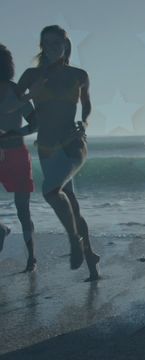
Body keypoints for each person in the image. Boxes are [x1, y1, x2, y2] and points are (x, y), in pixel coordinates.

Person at [17, 25, 100, 281]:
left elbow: (87, 106)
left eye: (57, 43)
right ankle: (92, 263)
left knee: (52, 191)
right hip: (46, 147)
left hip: (72, 143)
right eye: (47, 43)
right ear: (42, 47)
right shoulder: (31, 74)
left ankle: (74, 241)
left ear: (66, 44)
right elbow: (15, 99)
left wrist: (84, 124)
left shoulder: (79, 74)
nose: (52, 48)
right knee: (72, 205)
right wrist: (31, 115)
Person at [0, 43, 38, 272]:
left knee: (23, 209)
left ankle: (31, 257)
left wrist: (16, 133)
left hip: (16, 153)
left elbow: (35, 123)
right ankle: (2, 230)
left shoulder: (15, 91)